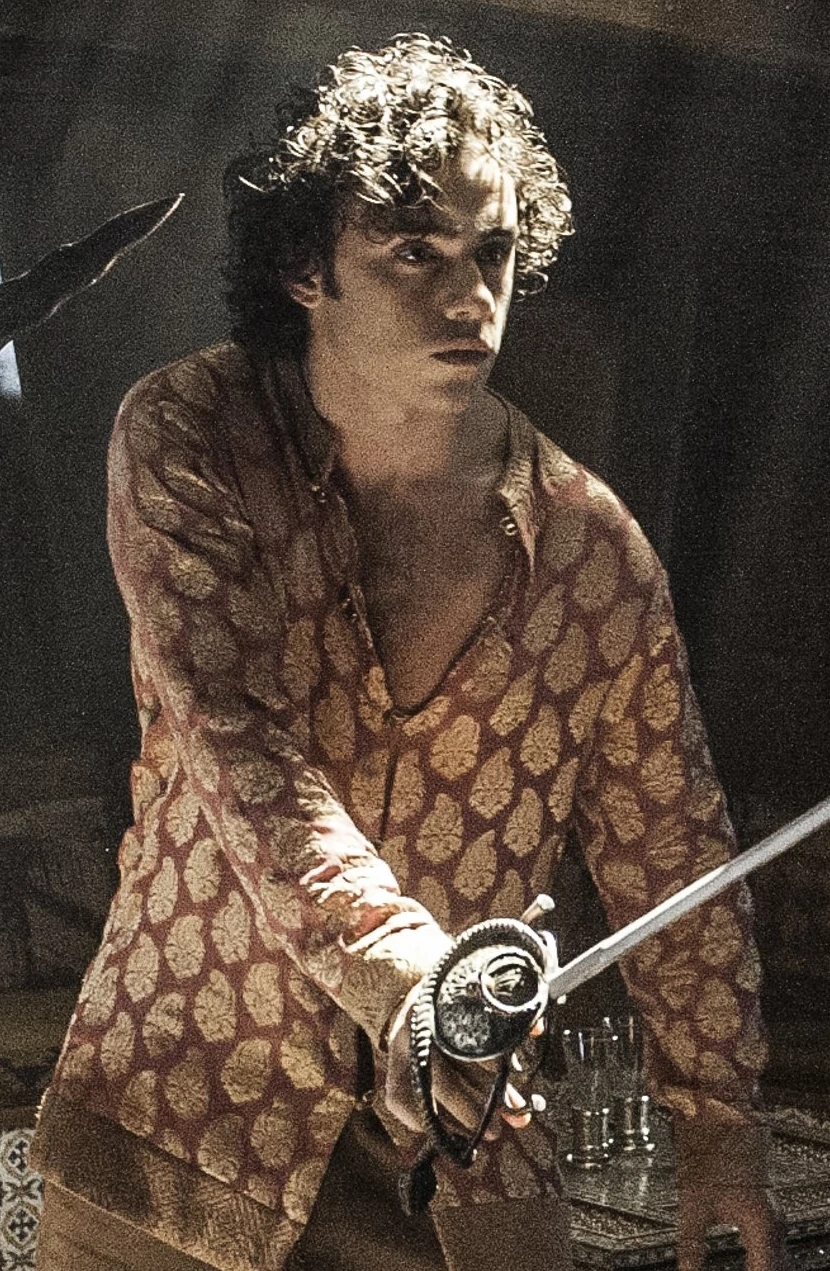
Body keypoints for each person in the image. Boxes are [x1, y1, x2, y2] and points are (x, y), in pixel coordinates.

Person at [31, 32, 786, 1271]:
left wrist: (718, 1130)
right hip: (172, 1136)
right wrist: (411, 973)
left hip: (463, 1168)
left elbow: (674, 850)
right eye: (415, 251)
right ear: (303, 266)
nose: (469, 294)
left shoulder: (591, 549)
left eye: (492, 252)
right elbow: (243, 755)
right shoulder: (190, 434)